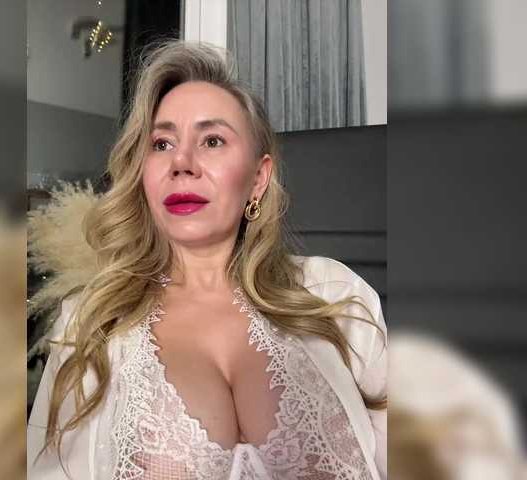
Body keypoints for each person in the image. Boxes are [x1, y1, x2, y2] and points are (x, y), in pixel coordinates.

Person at [27, 39, 387, 480]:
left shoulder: (337, 295)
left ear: (258, 179)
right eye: (161, 144)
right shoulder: (89, 325)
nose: (182, 162)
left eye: (212, 140)